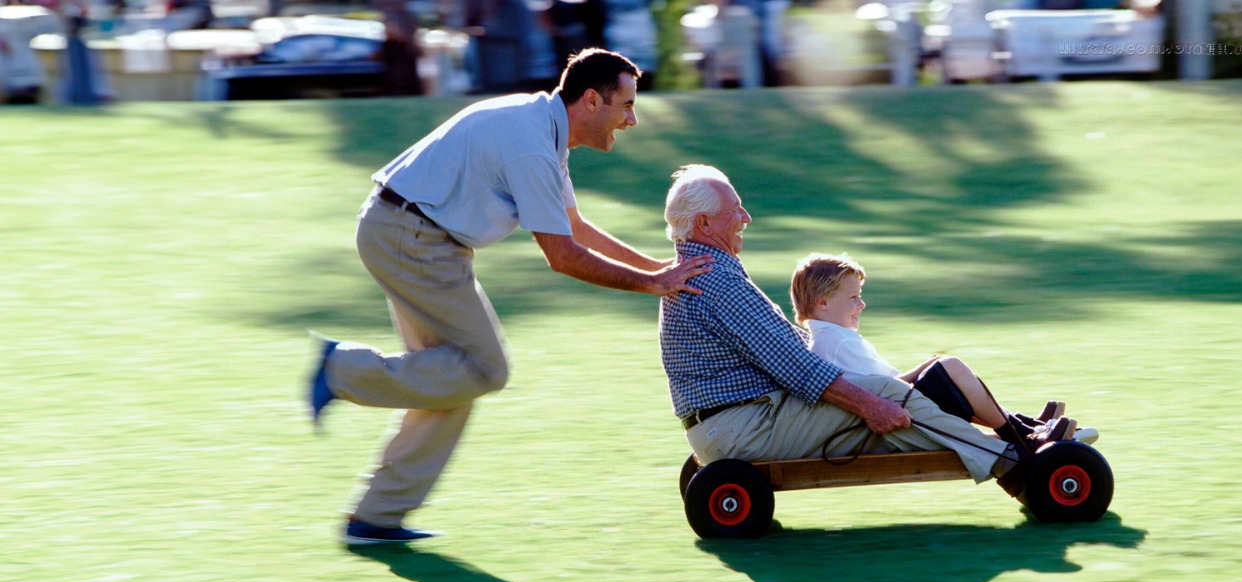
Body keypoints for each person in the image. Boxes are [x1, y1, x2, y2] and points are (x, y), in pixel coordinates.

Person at [307, 49, 714, 546]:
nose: (631, 119)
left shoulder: (542, 128)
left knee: (452, 376)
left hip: (413, 234)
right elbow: (562, 255)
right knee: (485, 368)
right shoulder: (532, 147)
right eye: (626, 104)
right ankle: (340, 370)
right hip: (411, 237)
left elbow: (576, 228)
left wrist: (660, 268)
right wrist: (652, 284)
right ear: (591, 100)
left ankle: (374, 518)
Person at [657, 165, 1068, 499]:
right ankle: (1016, 462)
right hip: (744, 427)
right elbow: (798, 368)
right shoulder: (716, 280)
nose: (746, 217)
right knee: (886, 395)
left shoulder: (699, 271)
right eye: (737, 209)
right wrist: (871, 405)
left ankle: (1012, 436)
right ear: (705, 222)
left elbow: (784, 349)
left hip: (727, 425)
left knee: (882, 390)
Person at [789, 253, 1097, 444]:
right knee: (950, 367)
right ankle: (1020, 433)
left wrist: (926, 367)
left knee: (946, 371)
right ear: (823, 303)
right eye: (853, 297)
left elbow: (881, 385)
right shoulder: (837, 342)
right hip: (893, 419)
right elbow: (886, 390)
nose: (862, 304)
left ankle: (1024, 426)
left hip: (893, 409)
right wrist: (927, 368)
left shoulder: (829, 338)